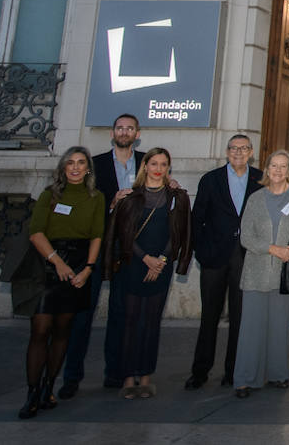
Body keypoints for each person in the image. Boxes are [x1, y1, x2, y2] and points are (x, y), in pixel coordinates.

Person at [60, 113, 144, 397]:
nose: (124, 132)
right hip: (96, 247)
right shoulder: (94, 164)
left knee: (121, 314)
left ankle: (115, 374)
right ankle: (71, 377)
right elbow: (84, 202)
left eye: (129, 128)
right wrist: (112, 203)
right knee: (83, 313)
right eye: (120, 128)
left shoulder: (146, 162)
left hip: (129, 249)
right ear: (113, 132)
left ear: (137, 133)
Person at [17, 146, 105, 419]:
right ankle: (32, 392)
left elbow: (96, 235)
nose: (75, 167)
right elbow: (36, 233)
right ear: (63, 168)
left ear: (88, 168)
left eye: (80, 163)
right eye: (70, 163)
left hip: (79, 262)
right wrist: (58, 262)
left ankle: (48, 388)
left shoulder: (96, 197)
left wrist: (88, 268)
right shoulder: (50, 195)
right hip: (47, 263)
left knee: (64, 329)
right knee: (41, 328)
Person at [102, 147, 192, 399]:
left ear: (168, 168)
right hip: (134, 264)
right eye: (154, 163)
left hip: (161, 267)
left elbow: (179, 233)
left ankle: (145, 376)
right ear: (145, 166)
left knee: (152, 323)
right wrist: (146, 259)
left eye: (164, 164)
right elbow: (123, 234)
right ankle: (128, 377)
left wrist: (161, 260)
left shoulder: (178, 197)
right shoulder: (130, 197)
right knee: (130, 322)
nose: (158, 168)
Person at [232, 150, 289, 398]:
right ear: (266, 169)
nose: (278, 171)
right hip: (256, 272)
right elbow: (246, 236)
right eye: (273, 166)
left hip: (284, 273)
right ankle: (245, 378)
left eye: (283, 166)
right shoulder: (255, 199)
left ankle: (278, 374)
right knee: (250, 328)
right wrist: (273, 249)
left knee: (280, 326)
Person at [186, 133, 263, 390]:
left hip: (246, 258)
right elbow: (197, 219)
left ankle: (233, 371)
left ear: (251, 152)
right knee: (210, 315)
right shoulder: (211, 180)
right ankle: (200, 371)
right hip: (214, 257)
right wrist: (201, 250)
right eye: (233, 148)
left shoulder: (260, 179)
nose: (238, 153)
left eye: (243, 149)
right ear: (227, 152)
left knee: (240, 318)